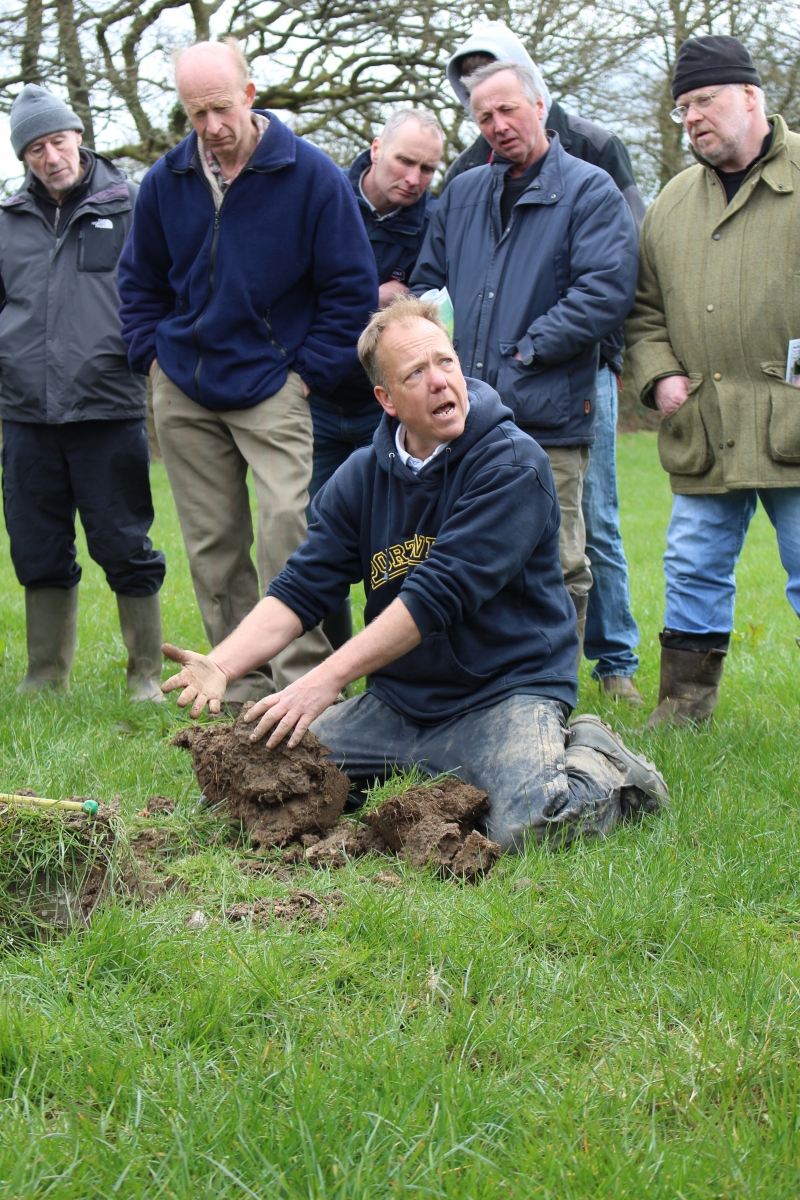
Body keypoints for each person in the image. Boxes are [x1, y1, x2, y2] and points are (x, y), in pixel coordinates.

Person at [161, 297, 668, 851]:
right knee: (257, 785)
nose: (440, 381)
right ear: (386, 399)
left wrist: (323, 679)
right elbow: (302, 586)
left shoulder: (513, 465)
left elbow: (435, 595)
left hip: (505, 695)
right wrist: (223, 664)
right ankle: (441, 767)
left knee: (529, 829)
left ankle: (597, 757)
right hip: (399, 704)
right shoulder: (360, 477)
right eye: (416, 373)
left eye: (446, 362)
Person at [117, 39, 377, 707]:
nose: (211, 128)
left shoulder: (313, 177)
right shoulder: (164, 182)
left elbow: (351, 288)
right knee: (213, 546)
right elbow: (138, 281)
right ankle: (236, 688)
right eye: (195, 113)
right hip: (182, 384)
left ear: (251, 95)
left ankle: (304, 688)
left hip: (275, 386)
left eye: (222, 109)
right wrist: (150, 359)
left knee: (290, 530)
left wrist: (306, 374)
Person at [410, 60, 639, 666]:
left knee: (559, 556)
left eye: (508, 109)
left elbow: (605, 291)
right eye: (484, 116)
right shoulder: (460, 195)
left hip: (549, 411)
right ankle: (472, 680)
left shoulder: (590, 189)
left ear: (540, 105)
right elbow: (429, 287)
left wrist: (526, 351)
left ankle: (552, 689)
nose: (498, 124)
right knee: (457, 549)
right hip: (462, 415)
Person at [626, 36, 800, 726]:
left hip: (794, 422)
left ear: (751, 97)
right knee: (691, 570)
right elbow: (642, 313)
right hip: (704, 424)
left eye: (705, 101)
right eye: (681, 107)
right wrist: (659, 375)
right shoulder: (669, 203)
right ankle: (683, 710)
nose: (692, 117)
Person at [0, 84, 165, 699]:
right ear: (25, 158)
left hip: (107, 406)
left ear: (78, 137)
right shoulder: (8, 223)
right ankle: (45, 676)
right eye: (36, 148)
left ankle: (144, 674)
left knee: (125, 542)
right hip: (25, 415)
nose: (51, 156)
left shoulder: (133, 206)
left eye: (58, 140)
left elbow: (162, 291)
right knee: (37, 545)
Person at [308, 108, 444, 651]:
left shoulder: (437, 221)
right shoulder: (320, 197)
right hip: (315, 394)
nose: (413, 179)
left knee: (397, 536)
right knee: (316, 532)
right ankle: (325, 660)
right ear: (374, 149)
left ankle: (393, 659)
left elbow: (433, 305)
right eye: (404, 161)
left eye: (428, 169)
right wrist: (379, 294)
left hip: (386, 403)